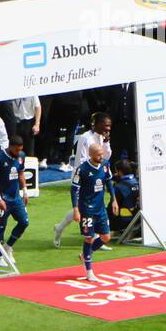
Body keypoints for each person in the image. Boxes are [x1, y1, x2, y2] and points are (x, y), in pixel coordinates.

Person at [52, 112, 112, 247]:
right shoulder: (85, 138)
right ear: (96, 124)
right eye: (105, 125)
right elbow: (81, 160)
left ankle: (61, 228)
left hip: (97, 175)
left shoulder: (103, 138)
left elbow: (106, 156)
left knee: (91, 206)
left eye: (109, 126)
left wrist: (107, 143)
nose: (108, 129)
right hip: (83, 177)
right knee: (81, 208)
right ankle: (61, 229)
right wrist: (92, 172)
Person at [73, 142, 114, 284]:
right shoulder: (82, 169)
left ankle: (85, 255)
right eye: (98, 155)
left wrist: (114, 200)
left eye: (102, 154)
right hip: (86, 209)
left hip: (100, 208)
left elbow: (109, 181)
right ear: (90, 155)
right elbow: (74, 189)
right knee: (89, 238)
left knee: (106, 237)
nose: (101, 157)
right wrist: (76, 209)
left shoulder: (105, 165)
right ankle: (89, 272)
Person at [0, 132, 28, 267]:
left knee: (24, 222)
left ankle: (8, 246)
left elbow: (21, 173)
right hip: (2, 198)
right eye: (17, 150)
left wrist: (25, 191)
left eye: (21, 150)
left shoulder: (21, 156)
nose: (19, 152)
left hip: (15, 198)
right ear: (10, 147)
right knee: (1, 227)